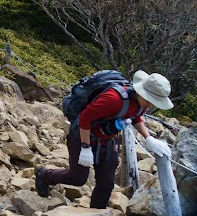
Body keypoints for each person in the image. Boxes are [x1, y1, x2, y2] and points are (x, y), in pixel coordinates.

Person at [35, 70, 173, 208]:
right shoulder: (113, 99)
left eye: (154, 102)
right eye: (149, 100)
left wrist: (148, 138)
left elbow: (135, 116)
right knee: (77, 178)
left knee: (106, 183)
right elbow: (85, 118)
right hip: (81, 136)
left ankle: (97, 211)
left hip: (105, 140)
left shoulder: (141, 104)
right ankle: (43, 174)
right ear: (140, 91)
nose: (150, 105)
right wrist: (85, 147)